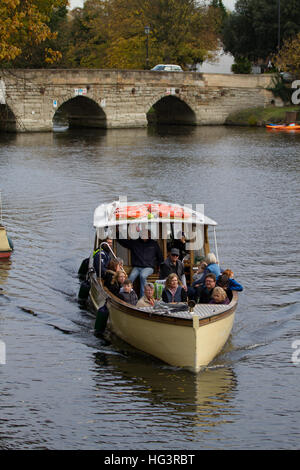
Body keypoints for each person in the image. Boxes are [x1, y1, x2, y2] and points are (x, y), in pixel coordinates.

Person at [118, 230, 164, 297]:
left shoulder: (154, 244)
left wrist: (160, 268)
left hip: (149, 267)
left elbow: (160, 257)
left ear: (149, 236)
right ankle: (124, 295)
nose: (144, 236)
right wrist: (117, 233)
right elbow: (124, 242)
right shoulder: (135, 242)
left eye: (146, 234)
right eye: (143, 234)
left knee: (142, 275)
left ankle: (143, 298)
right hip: (137, 267)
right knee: (130, 278)